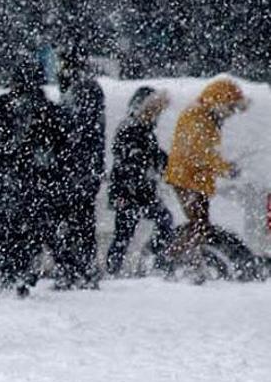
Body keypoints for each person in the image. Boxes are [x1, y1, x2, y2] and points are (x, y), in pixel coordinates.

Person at [0, 60, 66, 298]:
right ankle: (24, 270)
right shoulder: (47, 108)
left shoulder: (4, 105)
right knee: (33, 230)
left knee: (8, 229)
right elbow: (61, 145)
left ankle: (9, 271)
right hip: (38, 180)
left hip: (10, 179)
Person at [164, 78, 248, 283]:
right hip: (187, 179)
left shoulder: (205, 116)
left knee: (200, 225)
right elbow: (200, 153)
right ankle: (175, 261)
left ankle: (186, 262)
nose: (231, 114)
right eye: (230, 108)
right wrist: (225, 168)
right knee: (199, 225)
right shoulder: (197, 116)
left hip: (194, 179)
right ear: (220, 101)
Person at [105, 87, 175, 276]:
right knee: (125, 233)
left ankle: (147, 259)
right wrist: (149, 165)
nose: (156, 116)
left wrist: (169, 165)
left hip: (139, 192)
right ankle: (118, 267)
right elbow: (131, 162)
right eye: (154, 111)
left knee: (129, 232)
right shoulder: (130, 128)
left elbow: (155, 156)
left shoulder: (144, 130)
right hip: (129, 193)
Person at [53, 49, 106, 290]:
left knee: (75, 221)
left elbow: (76, 130)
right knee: (81, 221)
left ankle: (74, 269)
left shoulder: (81, 90)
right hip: (82, 169)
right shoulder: (87, 89)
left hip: (75, 170)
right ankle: (80, 268)